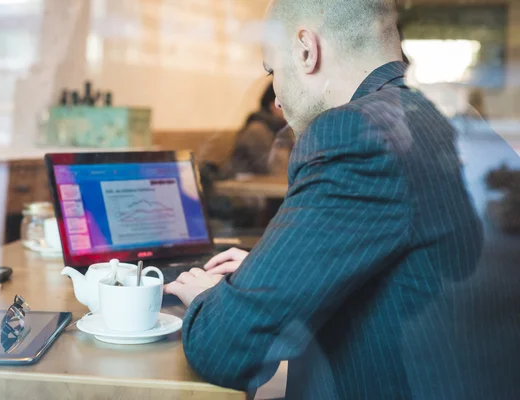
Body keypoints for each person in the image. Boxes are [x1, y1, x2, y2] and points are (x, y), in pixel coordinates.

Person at [165, 0, 519, 398]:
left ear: (305, 50)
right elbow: (413, 269)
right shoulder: (446, 112)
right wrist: (276, 269)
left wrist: (208, 299)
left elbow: (226, 347)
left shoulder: (352, 133)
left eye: (273, 69)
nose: (277, 99)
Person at [225, 83, 288, 176]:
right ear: (274, 105)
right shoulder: (257, 131)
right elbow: (278, 172)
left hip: (267, 186)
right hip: (245, 187)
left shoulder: (282, 129)